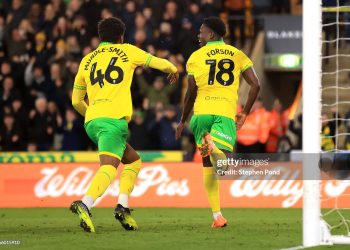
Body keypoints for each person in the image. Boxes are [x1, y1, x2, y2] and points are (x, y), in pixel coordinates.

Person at [70, 17, 179, 233]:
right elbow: (161, 63)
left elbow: (75, 100)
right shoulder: (128, 51)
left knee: (133, 161)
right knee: (109, 166)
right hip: (113, 120)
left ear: (101, 37)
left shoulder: (86, 60)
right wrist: (174, 70)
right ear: (120, 37)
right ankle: (85, 203)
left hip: (92, 121)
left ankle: (123, 206)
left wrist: (92, 113)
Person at [176, 17, 260, 228]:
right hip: (223, 113)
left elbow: (191, 92)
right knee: (223, 159)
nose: (199, 35)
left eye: (202, 31)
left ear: (211, 34)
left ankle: (217, 216)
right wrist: (245, 112)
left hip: (201, 114)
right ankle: (214, 146)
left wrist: (183, 120)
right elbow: (256, 85)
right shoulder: (238, 54)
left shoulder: (195, 57)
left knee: (207, 165)